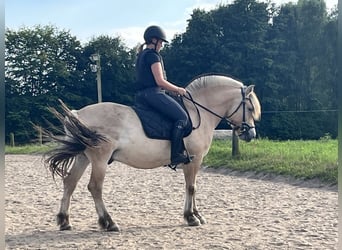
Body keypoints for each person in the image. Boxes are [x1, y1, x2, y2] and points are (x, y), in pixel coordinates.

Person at [135, 25, 193, 165]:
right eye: (160, 42)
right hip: (153, 94)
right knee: (182, 117)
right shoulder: (153, 56)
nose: (161, 45)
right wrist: (178, 89)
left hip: (141, 96)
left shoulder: (141, 55)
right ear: (153, 40)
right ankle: (176, 154)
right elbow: (160, 81)